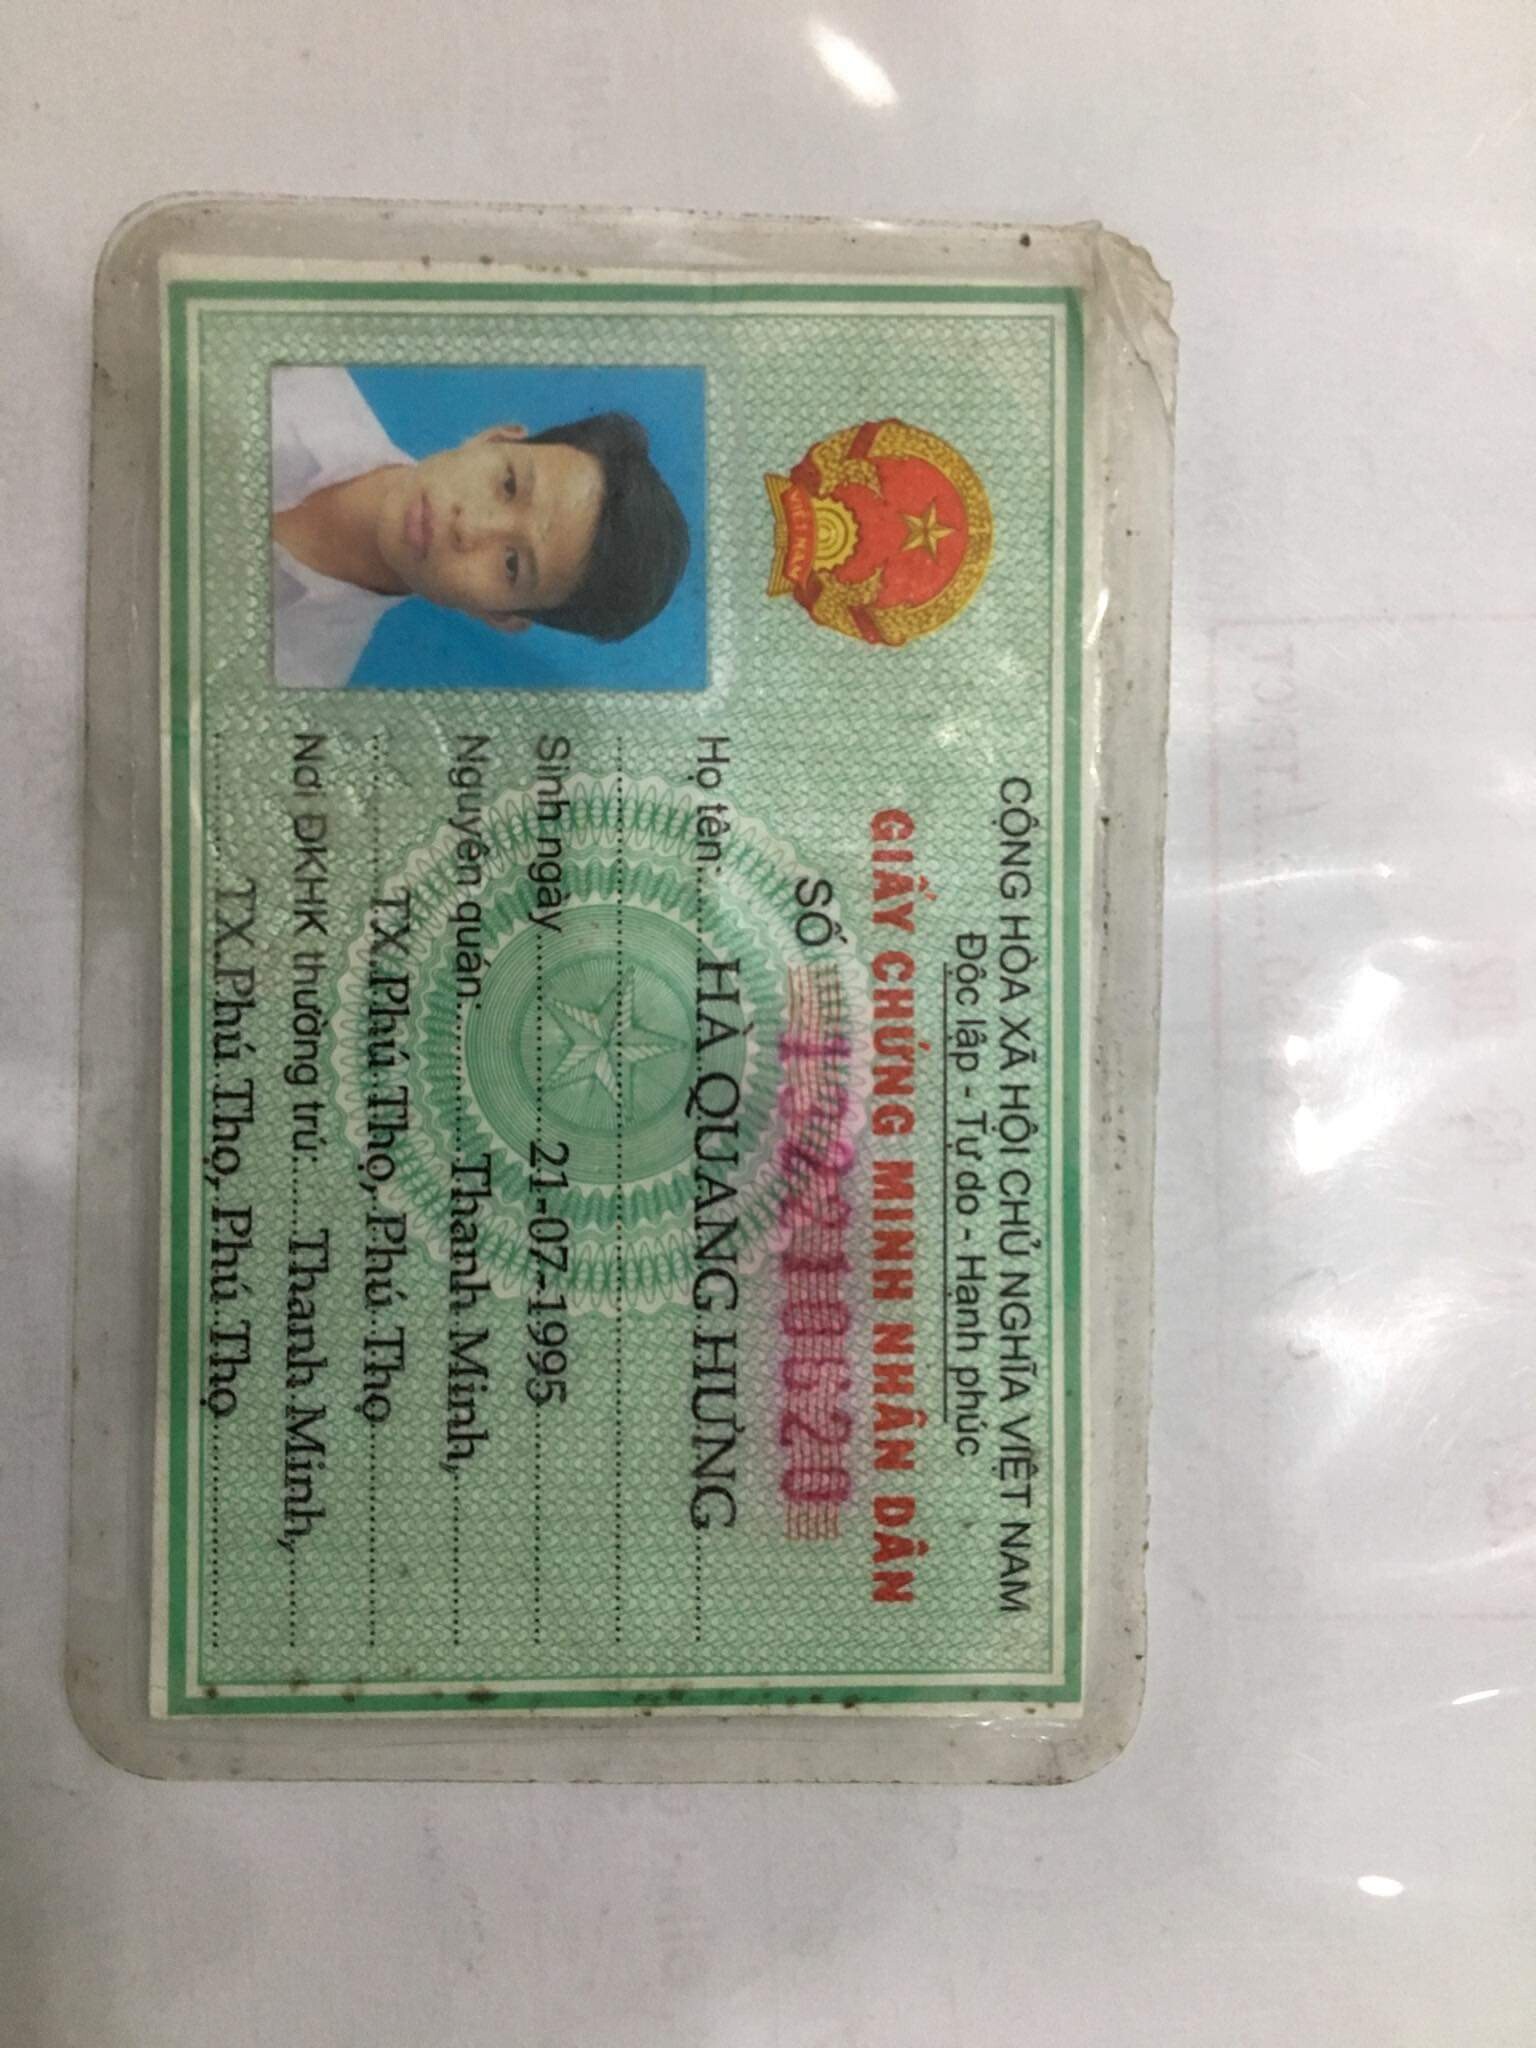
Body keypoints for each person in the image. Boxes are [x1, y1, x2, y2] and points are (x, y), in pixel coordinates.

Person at [269, 366, 691, 689]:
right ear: (494, 439)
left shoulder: (293, 683)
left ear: (498, 615)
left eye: (511, 565)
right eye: (508, 484)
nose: (469, 526)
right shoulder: (291, 372)